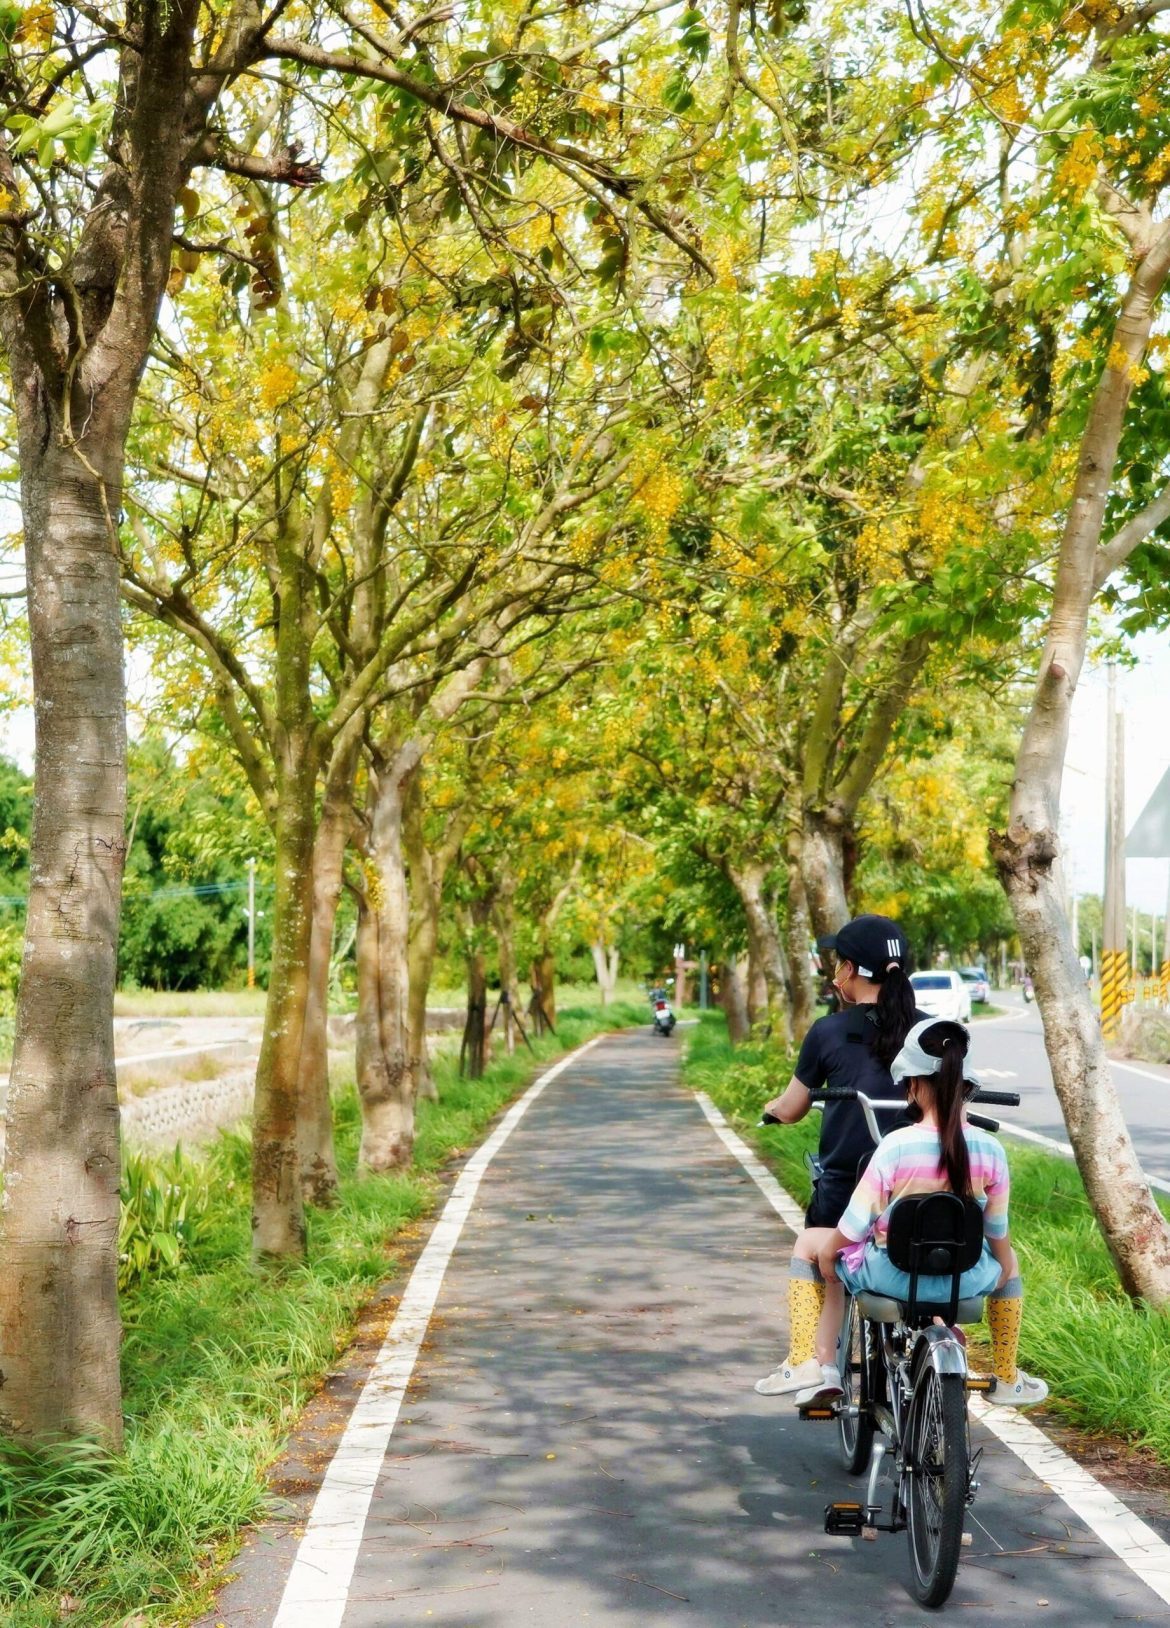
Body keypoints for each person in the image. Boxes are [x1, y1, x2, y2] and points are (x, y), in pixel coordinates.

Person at [777, 1017, 1048, 1410]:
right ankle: (1006, 1374)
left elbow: (855, 1225)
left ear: (915, 1085)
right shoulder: (990, 1150)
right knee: (1012, 1259)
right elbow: (996, 1230)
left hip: (893, 1275)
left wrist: (827, 1252)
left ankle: (806, 1362)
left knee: (811, 1242)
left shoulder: (896, 1146)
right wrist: (1004, 1265)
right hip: (964, 1279)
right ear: (965, 1086)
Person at [755, 913, 924, 1396]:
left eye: (837, 963)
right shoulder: (934, 1031)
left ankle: (812, 1360)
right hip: (923, 1194)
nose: (835, 973)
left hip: (847, 1192)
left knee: (822, 1250)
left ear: (850, 970)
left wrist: (773, 1109)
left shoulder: (829, 1032)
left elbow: (790, 1109)